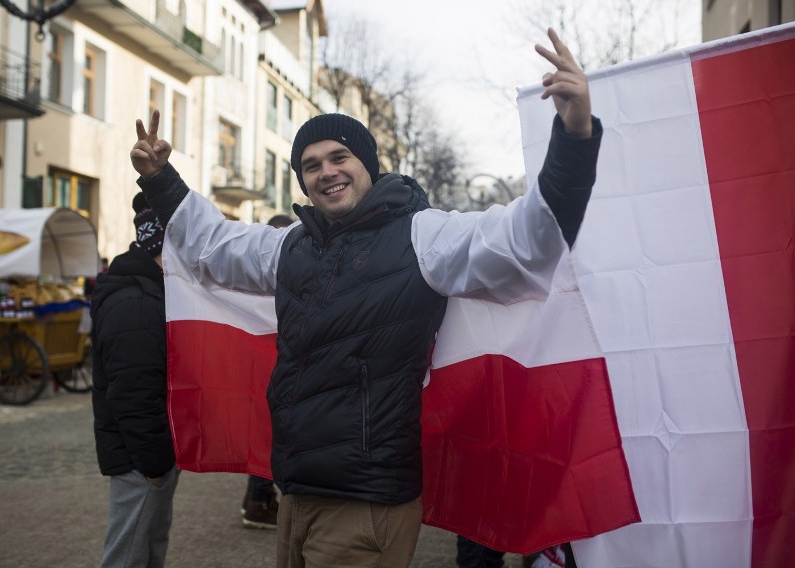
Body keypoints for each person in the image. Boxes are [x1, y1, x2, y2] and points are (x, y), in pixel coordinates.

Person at [130, 28, 600, 568]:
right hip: (299, 490)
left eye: (339, 156)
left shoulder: (423, 235)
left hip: (368, 499)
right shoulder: (291, 247)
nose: (327, 171)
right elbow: (214, 244)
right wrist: (162, 179)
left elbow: (529, 240)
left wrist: (575, 133)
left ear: (368, 164)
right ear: (303, 182)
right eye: (311, 165)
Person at [90, 192, 179, 568]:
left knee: (147, 548)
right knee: (128, 556)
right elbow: (133, 393)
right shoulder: (137, 303)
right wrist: (156, 465)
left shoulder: (151, 290)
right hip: (140, 460)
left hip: (148, 453)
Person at [241, 212, 294, 530]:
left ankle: (258, 499)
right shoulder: (265, 272)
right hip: (269, 371)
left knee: (267, 434)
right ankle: (258, 500)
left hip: (275, 369)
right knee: (266, 434)